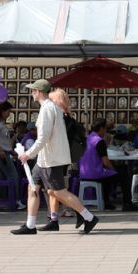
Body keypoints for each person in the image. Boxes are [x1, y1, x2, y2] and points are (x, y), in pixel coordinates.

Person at [10, 79, 98, 235]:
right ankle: (30, 225)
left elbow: (43, 137)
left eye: (33, 90)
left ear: (38, 92)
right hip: (45, 159)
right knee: (33, 188)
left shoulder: (47, 109)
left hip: (50, 159)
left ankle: (88, 217)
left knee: (58, 192)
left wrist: (28, 154)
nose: (31, 93)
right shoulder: (52, 108)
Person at [45, 88, 87, 224]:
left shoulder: (60, 118)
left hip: (56, 158)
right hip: (59, 158)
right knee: (53, 189)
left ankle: (81, 213)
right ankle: (53, 217)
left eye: (51, 100)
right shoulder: (66, 118)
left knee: (56, 190)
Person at [0, 101, 25, 210]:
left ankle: (1, 201)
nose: (9, 114)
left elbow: (3, 141)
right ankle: (16, 200)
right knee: (13, 176)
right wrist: (0, 150)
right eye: (8, 111)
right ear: (2, 111)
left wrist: (11, 151)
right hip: (0, 154)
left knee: (3, 178)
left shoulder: (0, 123)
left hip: (4, 152)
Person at [79, 118, 119, 211]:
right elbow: (105, 161)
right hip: (95, 173)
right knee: (121, 175)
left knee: (109, 175)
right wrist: (114, 169)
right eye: (105, 129)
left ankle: (105, 200)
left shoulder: (88, 138)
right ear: (101, 128)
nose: (105, 131)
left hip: (83, 172)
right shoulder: (99, 141)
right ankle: (126, 202)